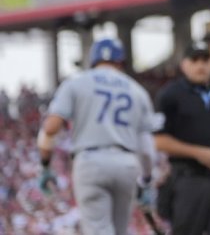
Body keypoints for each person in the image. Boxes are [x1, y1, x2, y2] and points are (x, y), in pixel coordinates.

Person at [36, 37, 158, 235]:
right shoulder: (138, 91)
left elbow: (51, 128)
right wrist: (146, 180)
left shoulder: (76, 83)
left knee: (98, 230)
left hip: (90, 160)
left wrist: (45, 165)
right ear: (121, 62)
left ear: (93, 60)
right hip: (126, 162)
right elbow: (146, 150)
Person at [153, 41, 210, 234]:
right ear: (184, 64)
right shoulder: (170, 95)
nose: (200, 65)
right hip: (189, 179)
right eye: (194, 60)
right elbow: (159, 141)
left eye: (205, 60)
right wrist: (197, 153)